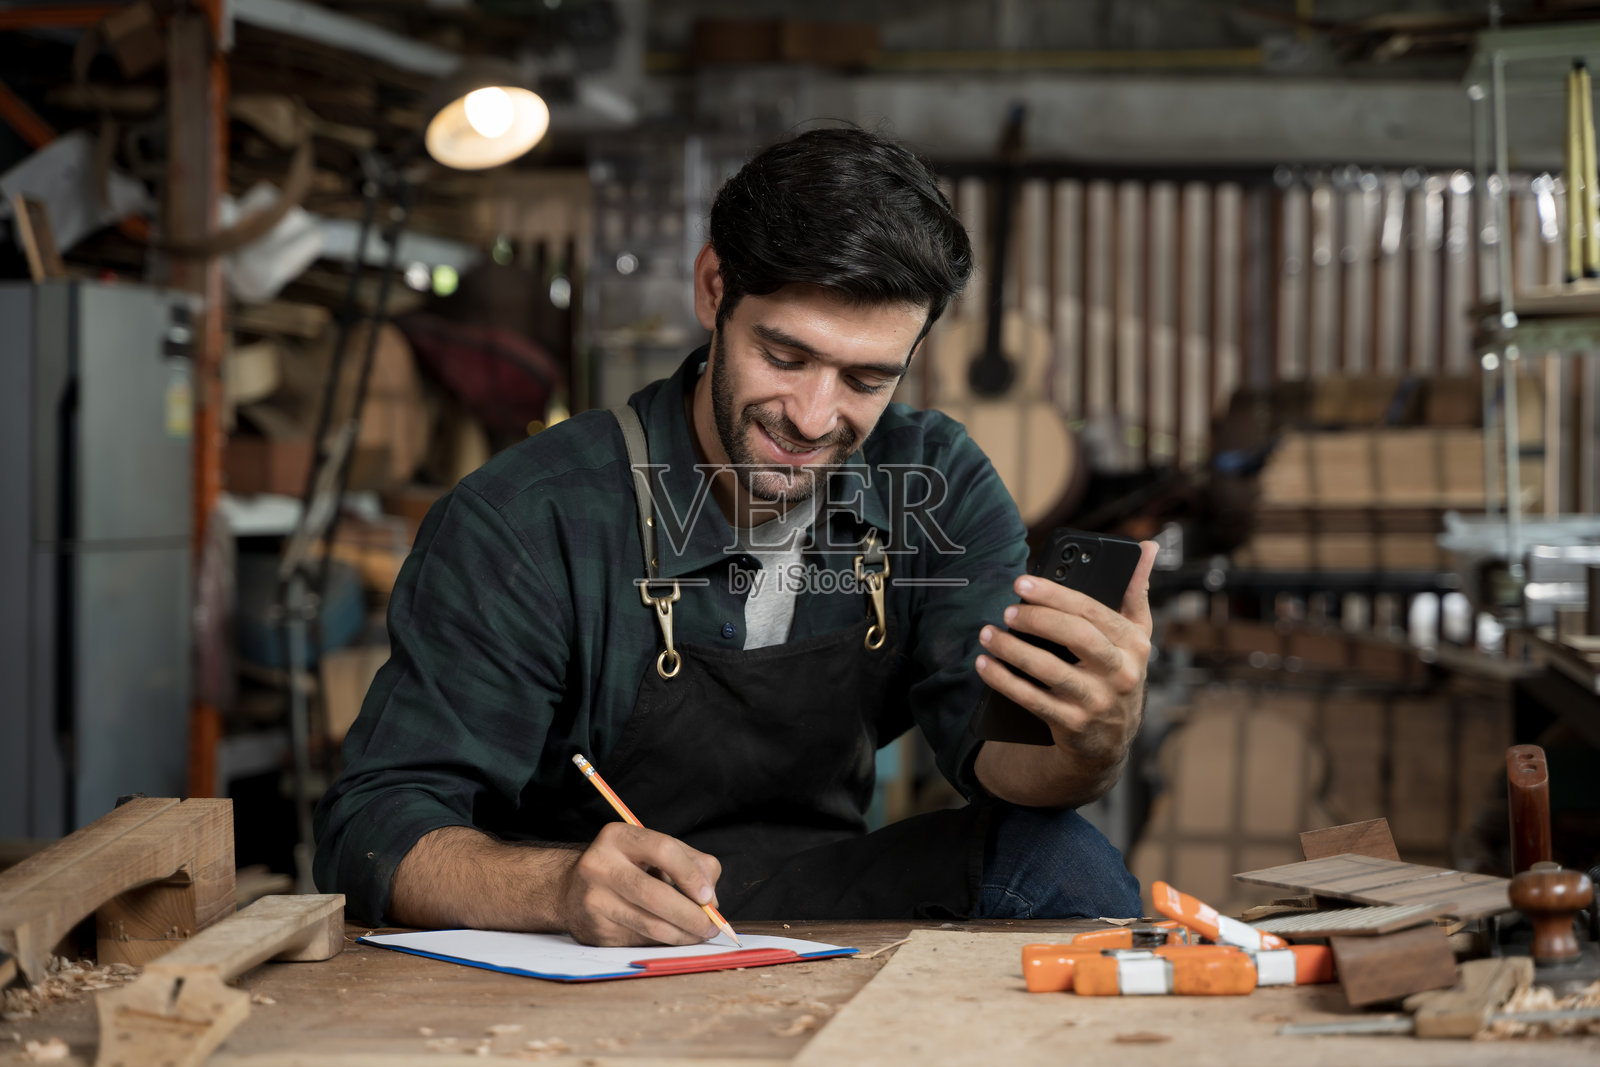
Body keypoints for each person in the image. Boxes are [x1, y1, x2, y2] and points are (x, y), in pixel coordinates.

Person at [314, 127, 1156, 946]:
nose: (813, 417)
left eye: (867, 378)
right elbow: (372, 831)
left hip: (816, 901)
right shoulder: (530, 516)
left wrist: (1089, 743)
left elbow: (997, 756)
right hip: (574, 938)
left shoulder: (935, 484)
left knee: (1059, 860)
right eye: (785, 356)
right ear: (714, 288)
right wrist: (558, 888)